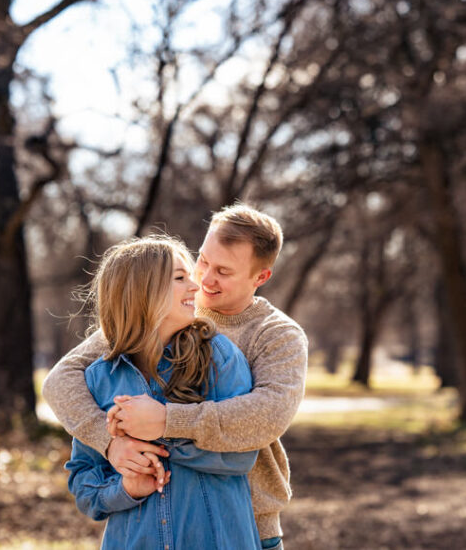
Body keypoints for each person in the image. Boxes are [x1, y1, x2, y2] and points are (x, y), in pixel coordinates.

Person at [44, 205, 308, 550]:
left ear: (260, 278)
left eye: (224, 271)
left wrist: (164, 422)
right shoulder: (163, 311)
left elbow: (265, 415)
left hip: (245, 525)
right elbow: (61, 380)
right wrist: (112, 443)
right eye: (203, 261)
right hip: (149, 521)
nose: (204, 280)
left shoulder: (276, 335)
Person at [64, 234, 260, 549]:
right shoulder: (99, 379)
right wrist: (126, 488)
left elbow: (242, 454)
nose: (195, 287)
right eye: (181, 278)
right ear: (143, 291)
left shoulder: (219, 356)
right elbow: (84, 485)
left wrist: (161, 429)